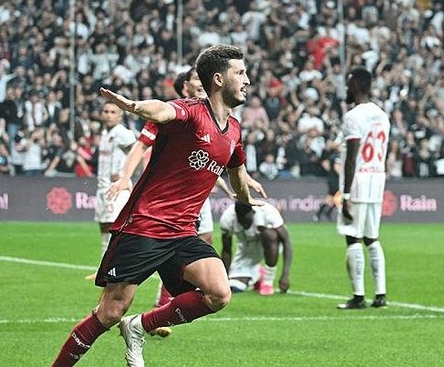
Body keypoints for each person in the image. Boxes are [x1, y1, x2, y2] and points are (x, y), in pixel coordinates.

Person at [52, 44, 263, 367]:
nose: (247, 80)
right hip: (145, 225)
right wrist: (135, 107)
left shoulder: (233, 129)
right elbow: (162, 111)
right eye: (241, 73)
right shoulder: (191, 112)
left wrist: (246, 198)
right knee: (110, 312)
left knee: (219, 293)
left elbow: (238, 172)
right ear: (219, 79)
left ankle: (138, 326)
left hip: (182, 232)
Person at [336, 67, 390, 310]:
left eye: (349, 84)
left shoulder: (352, 116)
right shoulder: (382, 115)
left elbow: (352, 157)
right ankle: (380, 294)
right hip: (377, 179)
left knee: (352, 236)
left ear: (357, 86)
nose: (346, 89)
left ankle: (358, 296)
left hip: (357, 182)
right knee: (372, 237)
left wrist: (346, 194)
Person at [86, 101, 136, 280]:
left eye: (113, 112)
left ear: (120, 116)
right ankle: (104, 266)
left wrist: (125, 176)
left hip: (116, 188)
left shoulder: (123, 133)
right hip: (103, 187)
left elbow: (139, 152)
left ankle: (114, 267)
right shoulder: (105, 133)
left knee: (114, 226)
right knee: (104, 226)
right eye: (105, 111)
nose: (108, 115)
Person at [219, 201, 292, 296]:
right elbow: (226, 250)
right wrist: (225, 278)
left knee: (271, 235)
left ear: (252, 213)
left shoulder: (267, 212)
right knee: (235, 286)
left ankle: (267, 282)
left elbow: (286, 241)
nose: (245, 224)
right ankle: (258, 274)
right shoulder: (227, 218)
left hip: (269, 246)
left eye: (247, 220)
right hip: (246, 248)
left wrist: (285, 275)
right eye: (241, 221)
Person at [313, 137, 342, 222]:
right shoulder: (337, 156)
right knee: (333, 197)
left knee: (334, 197)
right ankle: (319, 214)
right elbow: (336, 168)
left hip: (332, 179)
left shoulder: (332, 156)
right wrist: (344, 175)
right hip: (335, 180)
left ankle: (325, 213)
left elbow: (328, 166)